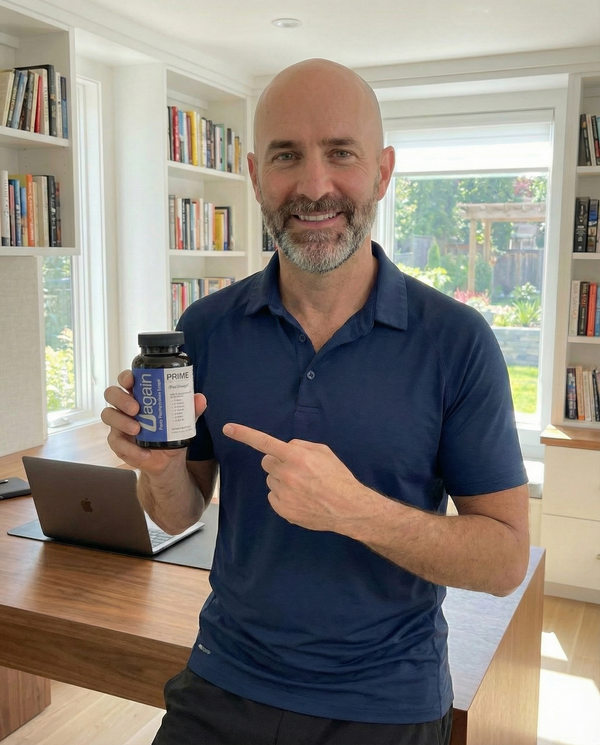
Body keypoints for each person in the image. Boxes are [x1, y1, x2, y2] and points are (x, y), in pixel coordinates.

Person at [102, 58, 530, 745]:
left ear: (383, 172)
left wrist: (356, 510)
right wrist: (159, 470)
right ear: (254, 175)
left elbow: (506, 558)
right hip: (223, 679)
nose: (313, 185)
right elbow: (179, 512)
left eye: (341, 153)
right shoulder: (205, 328)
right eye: (286, 155)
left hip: (385, 702)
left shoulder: (456, 340)